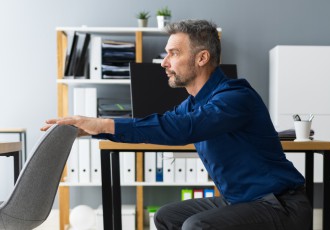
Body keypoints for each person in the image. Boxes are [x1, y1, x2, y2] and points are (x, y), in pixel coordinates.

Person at [42, 19, 312, 230]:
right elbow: (165, 123)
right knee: (167, 217)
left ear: (201, 58)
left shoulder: (235, 96)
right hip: (240, 200)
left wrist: (100, 123)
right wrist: (87, 130)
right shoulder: (194, 102)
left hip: (279, 204)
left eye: (173, 53)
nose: (164, 62)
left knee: (197, 226)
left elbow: (182, 128)